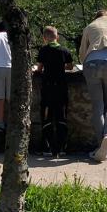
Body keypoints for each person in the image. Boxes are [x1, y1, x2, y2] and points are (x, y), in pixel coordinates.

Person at [79, 9, 107, 163]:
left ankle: (100, 147)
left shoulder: (89, 26)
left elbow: (83, 51)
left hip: (92, 63)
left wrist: (84, 62)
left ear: (95, 17)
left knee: (98, 105)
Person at [36, 26, 74, 158]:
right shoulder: (64, 50)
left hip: (48, 87)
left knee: (47, 116)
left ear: (44, 38)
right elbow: (70, 66)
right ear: (57, 37)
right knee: (61, 116)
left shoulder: (44, 50)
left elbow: (39, 68)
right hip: (61, 87)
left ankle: (47, 147)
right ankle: (62, 147)